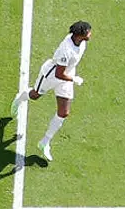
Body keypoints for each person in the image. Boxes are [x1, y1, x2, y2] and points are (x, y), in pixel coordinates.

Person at [8, 20, 92, 162]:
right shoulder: (66, 49)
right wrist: (73, 79)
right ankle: (19, 98)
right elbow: (59, 74)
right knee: (34, 95)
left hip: (66, 76)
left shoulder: (81, 42)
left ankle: (44, 142)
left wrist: (70, 77)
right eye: (89, 32)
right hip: (51, 75)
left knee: (64, 112)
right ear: (80, 35)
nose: (91, 34)